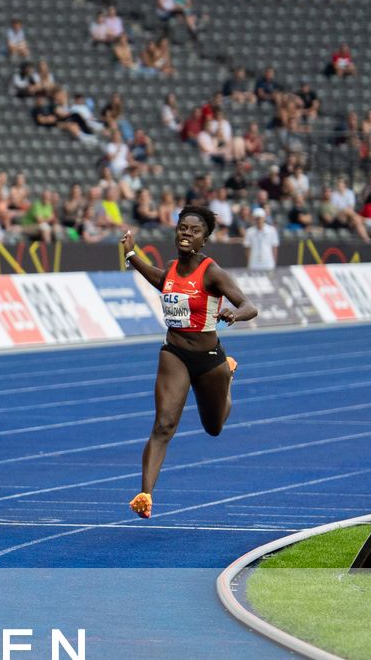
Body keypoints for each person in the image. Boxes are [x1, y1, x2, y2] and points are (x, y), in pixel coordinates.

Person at [119, 207, 258, 518]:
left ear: (204, 240)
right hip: (175, 353)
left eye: (194, 231)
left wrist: (233, 314)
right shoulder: (171, 269)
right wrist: (132, 256)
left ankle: (228, 375)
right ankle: (146, 494)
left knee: (214, 427)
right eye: (182, 228)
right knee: (164, 424)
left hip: (209, 359)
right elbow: (162, 280)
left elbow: (250, 306)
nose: (186, 233)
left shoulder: (212, 272)